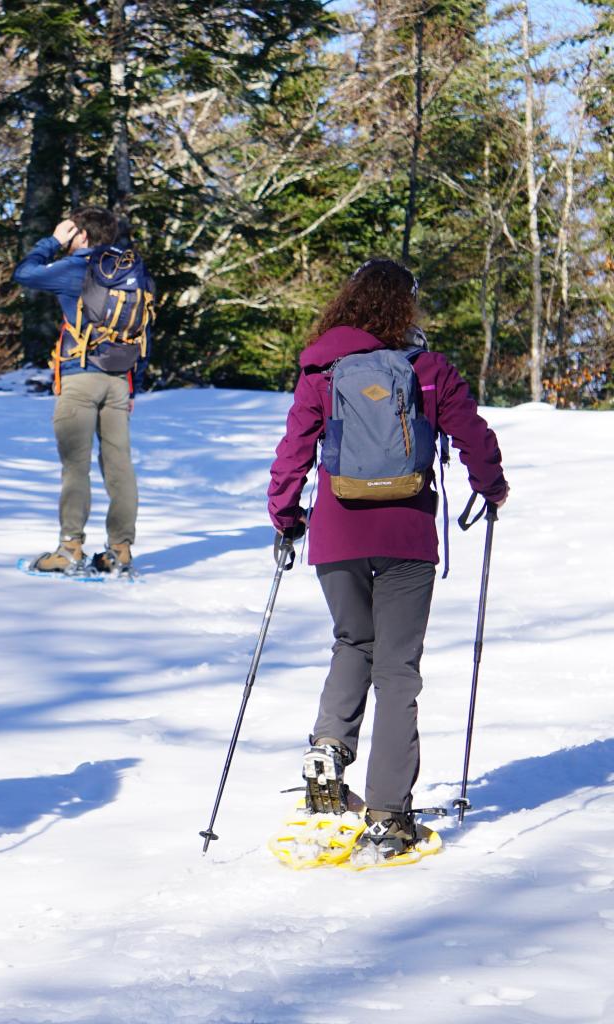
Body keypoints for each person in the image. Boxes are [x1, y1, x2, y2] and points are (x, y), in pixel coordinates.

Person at [267, 258, 508, 860]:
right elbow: (474, 436)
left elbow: (294, 449)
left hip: (337, 532)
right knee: (397, 669)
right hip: (406, 534)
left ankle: (329, 748)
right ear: (407, 306)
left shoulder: (322, 369)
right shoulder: (428, 370)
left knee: (354, 641)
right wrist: (492, 486)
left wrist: (287, 515)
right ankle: (389, 816)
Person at [13, 207, 154, 575]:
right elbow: (143, 333)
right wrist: (132, 386)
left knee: (76, 467)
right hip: (119, 382)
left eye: (72, 232)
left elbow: (24, 273)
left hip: (79, 378)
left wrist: (53, 242)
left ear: (82, 235)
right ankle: (120, 552)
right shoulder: (132, 274)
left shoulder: (76, 268)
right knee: (119, 467)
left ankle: (70, 549)